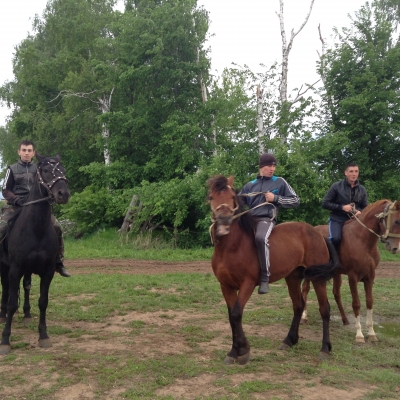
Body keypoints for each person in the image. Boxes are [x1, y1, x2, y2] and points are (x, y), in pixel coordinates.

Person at [0, 140, 71, 277]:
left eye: (29, 150)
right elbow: (5, 190)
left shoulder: (39, 169)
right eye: (24, 150)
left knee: (57, 227)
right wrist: (16, 199)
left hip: (37, 207)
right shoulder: (12, 169)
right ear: (19, 152)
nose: (26, 153)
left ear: (33, 153)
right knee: (1, 228)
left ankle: (58, 261)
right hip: (15, 207)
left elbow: (48, 185)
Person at [239, 153, 300, 294]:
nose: (272, 168)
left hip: (266, 219)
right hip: (250, 220)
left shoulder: (279, 182)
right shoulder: (250, 185)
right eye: (269, 166)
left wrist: (276, 198)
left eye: (274, 166)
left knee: (260, 238)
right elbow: (238, 203)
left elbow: (296, 200)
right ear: (261, 167)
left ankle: (265, 278)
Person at [322, 162, 368, 252]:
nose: (354, 174)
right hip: (337, 219)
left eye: (356, 171)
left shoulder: (362, 189)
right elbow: (325, 203)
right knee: (335, 238)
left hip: (355, 221)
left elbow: (365, 207)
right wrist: (342, 207)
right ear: (346, 173)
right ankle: (331, 262)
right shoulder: (336, 186)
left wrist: (360, 212)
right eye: (351, 171)